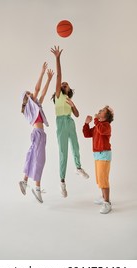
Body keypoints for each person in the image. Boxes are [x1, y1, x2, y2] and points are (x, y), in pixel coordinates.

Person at [51, 46, 89, 198]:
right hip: (61, 123)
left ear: (69, 89)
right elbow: (59, 75)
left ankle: (78, 167)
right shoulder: (59, 95)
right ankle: (62, 182)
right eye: (62, 84)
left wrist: (73, 105)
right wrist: (58, 58)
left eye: (65, 84)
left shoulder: (69, 99)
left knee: (76, 146)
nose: (63, 84)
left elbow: (78, 115)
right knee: (63, 153)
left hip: (70, 122)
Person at [19, 62, 54, 203]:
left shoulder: (36, 106)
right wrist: (42, 72)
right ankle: (37, 188)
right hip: (38, 134)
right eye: (29, 94)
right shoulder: (28, 107)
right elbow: (37, 88)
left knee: (35, 157)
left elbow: (43, 92)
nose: (32, 94)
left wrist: (49, 79)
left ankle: (25, 181)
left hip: (40, 135)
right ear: (26, 99)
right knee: (39, 160)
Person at [82, 106, 114, 214]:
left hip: (104, 155)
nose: (100, 111)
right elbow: (87, 134)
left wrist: (95, 120)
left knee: (103, 180)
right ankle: (103, 196)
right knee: (100, 179)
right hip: (97, 155)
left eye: (103, 111)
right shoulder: (97, 126)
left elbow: (101, 129)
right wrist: (86, 124)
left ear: (106, 117)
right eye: (100, 110)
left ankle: (107, 203)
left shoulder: (106, 126)